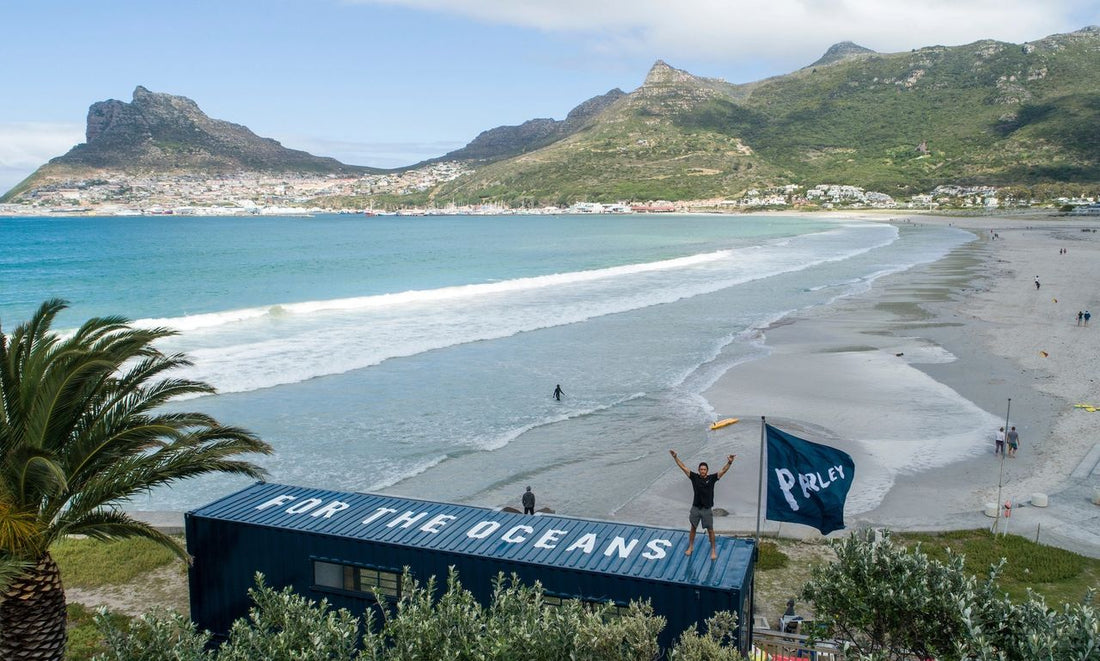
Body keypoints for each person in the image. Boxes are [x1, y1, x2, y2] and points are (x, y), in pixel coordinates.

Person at [669, 449, 735, 560]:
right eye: (701, 469)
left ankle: (713, 550)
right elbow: (683, 467)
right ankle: (690, 547)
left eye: (704, 469)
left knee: (710, 530)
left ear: (707, 470)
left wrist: (729, 462)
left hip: (707, 509)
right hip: (695, 508)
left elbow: (723, 471)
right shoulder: (694, 477)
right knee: (693, 528)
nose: (702, 471)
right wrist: (675, 457)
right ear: (699, 470)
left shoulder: (712, 478)